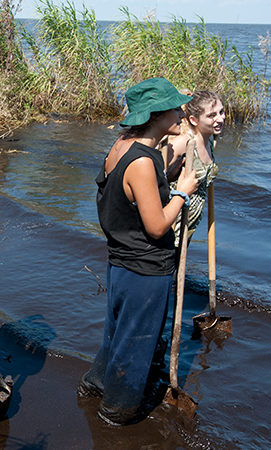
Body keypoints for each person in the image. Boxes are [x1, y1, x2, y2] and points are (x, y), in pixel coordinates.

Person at [77, 78, 199, 426]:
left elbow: (128, 195)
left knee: (118, 333)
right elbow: (158, 226)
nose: (181, 112)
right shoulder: (144, 163)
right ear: (157, 114)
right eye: (175, 108)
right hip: (146, 268)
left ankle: (95, 386)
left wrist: (169, 172)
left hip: (121, 262)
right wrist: (183, 192)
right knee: (137, 343)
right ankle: (118, 411)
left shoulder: (122, 146)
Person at [162, 90, 225, 246]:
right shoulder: (184, 143)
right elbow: (155, 173)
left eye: (221, 112)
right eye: (211, 115)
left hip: (189, 225)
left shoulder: (210, 141)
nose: (220, 118)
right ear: (194, 120)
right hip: (172, 225)